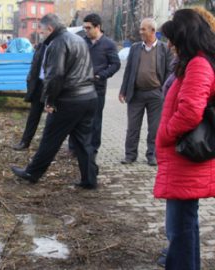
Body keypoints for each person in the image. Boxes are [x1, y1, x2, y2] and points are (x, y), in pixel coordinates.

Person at [155, 7, 215, 269]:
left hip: (185, 154)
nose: (169, 45)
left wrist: (166, 134)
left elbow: (190, 112)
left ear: (184, 36)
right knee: (184, 223)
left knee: (179, 226)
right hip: (183, 155)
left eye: (172, 39)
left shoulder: (199, 64)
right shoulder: (195, 61)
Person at [10, 13, 98, 189]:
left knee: (50, 139)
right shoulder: (79, 40)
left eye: (42, 31)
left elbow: (55, 75)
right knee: (83, 142)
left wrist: (49, 101)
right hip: (89, 97)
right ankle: (89, 180)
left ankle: (32, 173)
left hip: (69, 100)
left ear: (50, 29)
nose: (41, 34)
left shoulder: (57, 43)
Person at [119, 18, 173, 166]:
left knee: (155, 128)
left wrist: (164, 91)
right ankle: (130, 155)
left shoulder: (165, 49)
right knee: (132, 127)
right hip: (136, 94)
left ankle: (152, 155)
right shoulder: (136, 48)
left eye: (144, 29)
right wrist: (123, 90)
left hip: (156, 95)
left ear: (153, 31)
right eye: (141, 29)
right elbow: (128, 71)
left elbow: (170, 71)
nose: (140, 32)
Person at [70, 13, 120, 160]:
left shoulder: (109, 44)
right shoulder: (81, 42)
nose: (86, 31)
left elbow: (116, 64)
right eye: (84, 28)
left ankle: (92, 149)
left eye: (88, 28)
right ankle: (74, 148)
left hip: (98, 88)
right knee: (76, 119)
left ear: (98, 27)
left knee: (95, 120)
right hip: (79, 88)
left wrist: (101, 75)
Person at [12, 42, 46, 150]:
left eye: (44, 31)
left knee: (53, 118)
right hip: (39, 84)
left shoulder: (59, 45)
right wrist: (30, 78)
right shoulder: (42, 46)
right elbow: (34, 64)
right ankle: (25, 142)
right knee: (33, 115)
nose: (42, 34)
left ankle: (46, 147)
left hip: (53, 85)